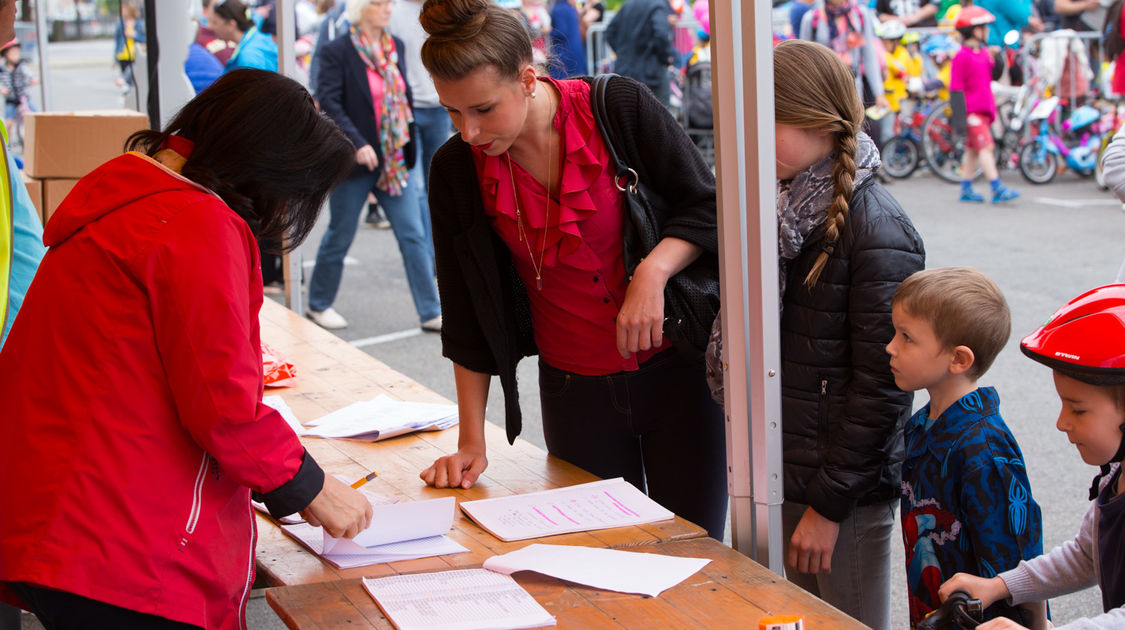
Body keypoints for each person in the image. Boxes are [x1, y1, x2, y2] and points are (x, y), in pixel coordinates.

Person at [0, 69, 372, 630]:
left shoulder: (129, 196)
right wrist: (310, 487)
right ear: (264, 168)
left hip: (54, 513)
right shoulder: (194, 222)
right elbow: (222, 402)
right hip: (114, 541)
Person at [415, 0, 728, 540]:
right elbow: (465, 311)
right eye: (451, 112)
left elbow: (705, 205)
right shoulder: (456, 170)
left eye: (484, 109)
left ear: (528, 79)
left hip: (679, 375)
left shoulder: (617, 107)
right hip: (573, 394)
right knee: (601, 562)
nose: (468, 131)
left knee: (698, 555)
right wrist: (472, 441)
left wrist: (653, 272)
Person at [772, 39, 924, 630]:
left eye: (766, 123)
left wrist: (829, 506)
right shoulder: (779, 207)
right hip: (786, 472)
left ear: (815, 122)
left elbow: (885, 387)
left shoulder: (878, 225)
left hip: (844, 497)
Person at [939, 283, 1125, 629]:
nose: (1061, 422)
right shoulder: (1115, 480)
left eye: (1078, 410)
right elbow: (1087, 556)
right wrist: (1000, 586)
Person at [886, 267, 1047, 627]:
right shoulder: (922, 425)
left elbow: (1018, 563)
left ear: (958, 359)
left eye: (907, 337)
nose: (890, 346)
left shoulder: (984, 449)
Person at [309, 0, 442, 332]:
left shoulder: (392, 45)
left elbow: (403, 97)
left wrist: (405, 143)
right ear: (361, 9)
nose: (387, 8)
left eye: (388, 3)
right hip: (356, 163)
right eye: (379, 3)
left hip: (394, 161)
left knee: (412, 234)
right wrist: (358, 143)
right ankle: (318, 304)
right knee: (340, 233)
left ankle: (431, 311)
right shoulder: (336, 51)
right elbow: (330, 103)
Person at [951, 6, 1021, 204]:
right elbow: (955, 89)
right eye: (984, 27)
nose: (988, 31)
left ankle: (966, 188)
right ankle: (996, 186)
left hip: (984, 110)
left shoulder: (983, 53)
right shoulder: (961, 56)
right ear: (974, 30)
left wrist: (997, 57)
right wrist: (959, 120)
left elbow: (994, 74)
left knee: (973, 150)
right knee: (986, 147)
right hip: (972, 111)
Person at [799, 0, 892, 145]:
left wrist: (879, 93)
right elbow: (804, 61)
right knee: (827, 137)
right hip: (824, 89)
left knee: (854, 134)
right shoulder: (813, 18)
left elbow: (869, 56)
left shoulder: (860, 15)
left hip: (854, 86)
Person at [604, 0, 679, 106]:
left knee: (629, 114)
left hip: (625, 70)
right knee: (660, 114)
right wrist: (665, 58)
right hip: (652, 73)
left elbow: (610, 31)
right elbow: (661, 34)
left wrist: (623, 52)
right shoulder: (658, 5)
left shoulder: (628, 5)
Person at [211, 0, 279, 73]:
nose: (212, 27)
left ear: (231, 25)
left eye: (215, 23)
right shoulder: (253, 36)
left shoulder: (249, 59)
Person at [0, 38, 36, 143]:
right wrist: (2, 89)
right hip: (11, 100)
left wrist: (33, 79)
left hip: (23, 97)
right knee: (9, 123)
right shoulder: (2, 70)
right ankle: (7, 144)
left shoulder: (21, 66)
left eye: (17, 52)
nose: (16, 55)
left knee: (35, 115)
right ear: (6, 54)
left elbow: (29, 74)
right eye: (13, 53)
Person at [113, 1, 145, 93]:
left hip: (135, 53)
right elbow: (117, 40)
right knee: (127, 81)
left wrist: (134, 35)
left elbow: (145, 39)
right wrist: (115, 57)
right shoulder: (121, 23)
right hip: (123, 54)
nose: (122, 11)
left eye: (124, 8)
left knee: (134, 79)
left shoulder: (139, 23)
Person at [548, 0, 585, 78]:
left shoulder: (559, 9)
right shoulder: (570, 8)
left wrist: (548, 31)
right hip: (575, 49)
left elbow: (561, 32)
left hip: (564, 51)